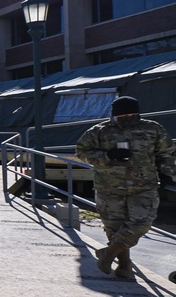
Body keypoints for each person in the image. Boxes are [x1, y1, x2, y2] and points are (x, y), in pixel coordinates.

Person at [75, 96, 175, 279]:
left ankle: (108, 253)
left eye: (131, 114)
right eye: (122, 115)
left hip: (144, 187)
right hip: (109, 187)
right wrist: (108, 156)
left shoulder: (153, 129)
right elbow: (81, 152)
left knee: (142, 223)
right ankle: (124, 265)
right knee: (114, 227)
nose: (127, 118)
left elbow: (167, 155)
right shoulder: (99, 131)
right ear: (114, 116)